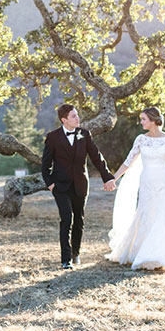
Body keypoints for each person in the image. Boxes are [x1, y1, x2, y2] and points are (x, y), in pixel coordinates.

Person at [106, 106, 165, 272]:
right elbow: (128, 161)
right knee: (147, 215)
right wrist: (114, 178)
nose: (140, 122)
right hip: (148, 183)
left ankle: (160, 256)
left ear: (153, 120)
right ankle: (143, 253)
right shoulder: (141, 139)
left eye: (143, 119)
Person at [42, 103, 116, 269]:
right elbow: (45, 164)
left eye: (77, 115)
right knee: (66, 218)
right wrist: (50, 184)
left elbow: (97, 157)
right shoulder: (53, 137)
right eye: (74, 116)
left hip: (81, 185)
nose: (78, 118)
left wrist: (107, 178)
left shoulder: (85, 134)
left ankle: (76, 254)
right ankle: (65, 259)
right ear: (64, 120)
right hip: (60, 186)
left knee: (78, 221)